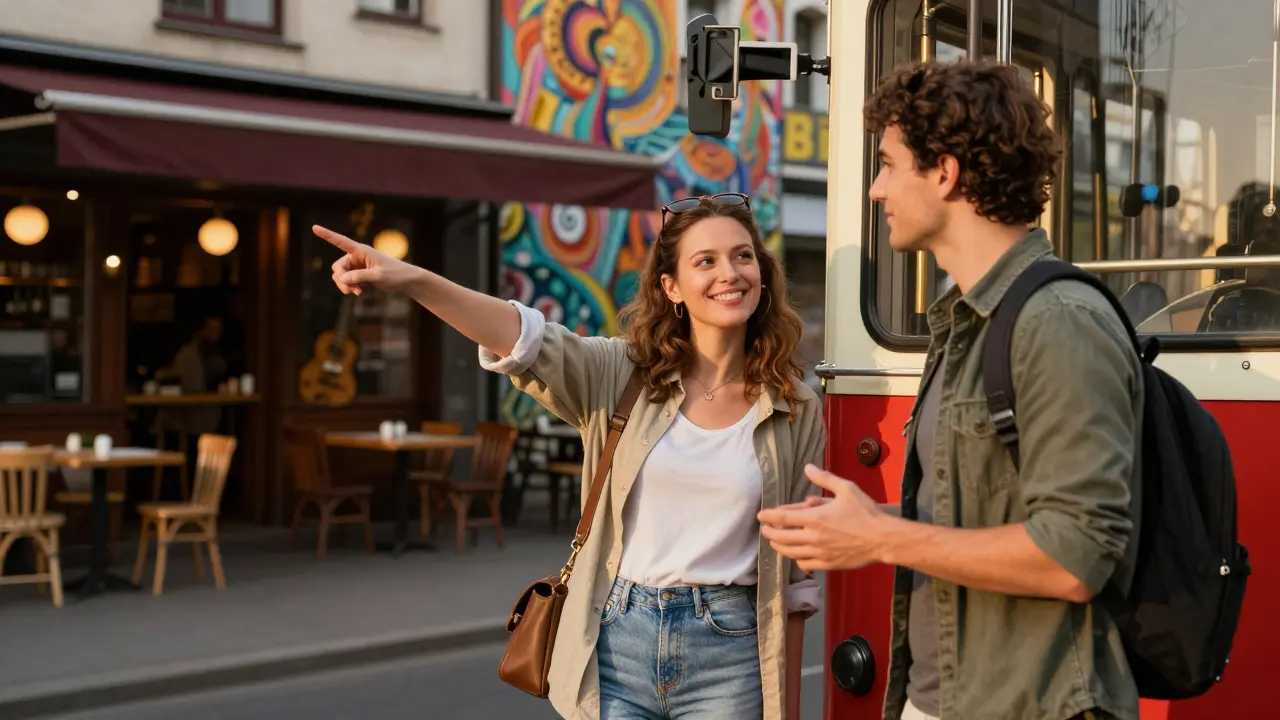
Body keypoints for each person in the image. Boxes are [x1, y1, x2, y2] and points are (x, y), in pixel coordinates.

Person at [316, 192, 826, 720]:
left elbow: (797, 579)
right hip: (616, 639)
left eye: (743, 256)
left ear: (763, 274)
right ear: (671, 287)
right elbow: (521, 335)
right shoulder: (621, 373)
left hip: (731, 648)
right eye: (706, 261)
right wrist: (413, 279)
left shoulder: (794, 406)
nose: (730, 273)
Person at [759, 60, 1143, 720]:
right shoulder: (963, 323)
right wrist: (872, 521)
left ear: (944, 172)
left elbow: (1075, 558)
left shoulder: (1057, 323)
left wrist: (882, 540)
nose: (876, 190)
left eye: (888, 164)